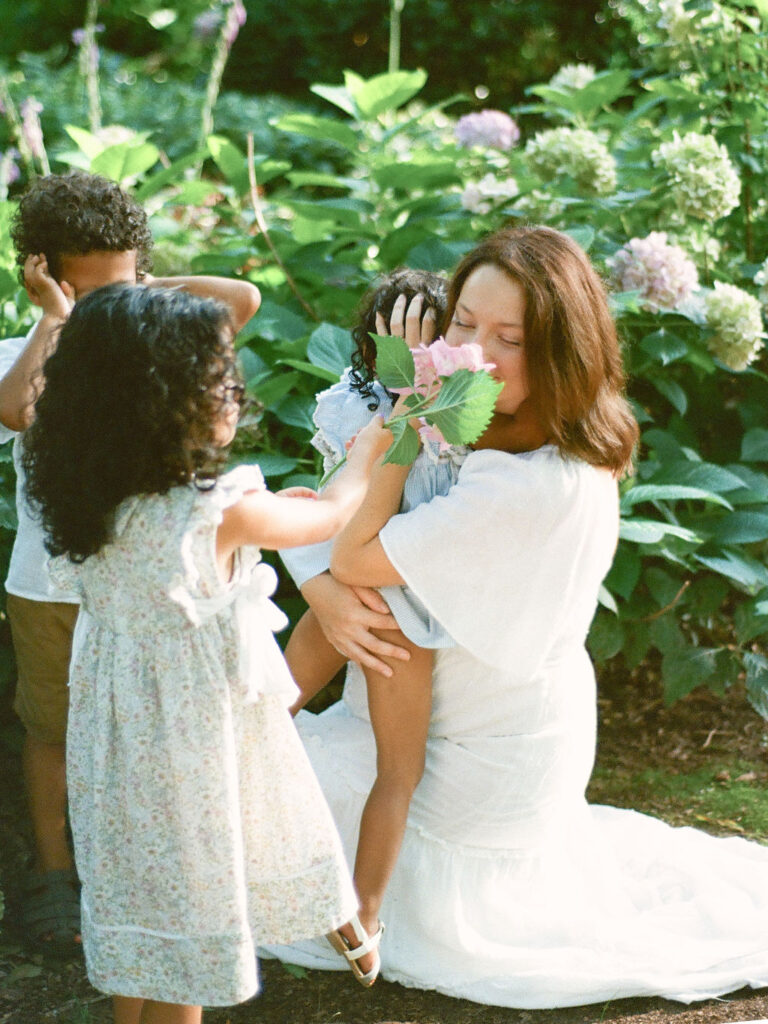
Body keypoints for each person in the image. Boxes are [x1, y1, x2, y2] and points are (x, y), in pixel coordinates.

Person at [269, 225, 768, 1008]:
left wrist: (402, 421)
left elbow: (354, 554)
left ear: (564, 353)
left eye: (512, 339)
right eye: (463, 324)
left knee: (258, 821)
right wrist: (326, 594)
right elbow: (335, 527)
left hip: (480, 753)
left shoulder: (528, 484)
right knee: (253, 790)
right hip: (426, 695)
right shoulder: (486, 424)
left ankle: (367, 908)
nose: (476, 353)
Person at [21, 282, 389, 1024]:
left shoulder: (89, 496)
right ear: (171, 405)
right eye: (220, 382)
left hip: (115, 740)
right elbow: (329, 513)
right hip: (188, 744)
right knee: (191, 923)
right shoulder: (214, 512)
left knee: (143, 910)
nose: (234, 395)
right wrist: (378, 439)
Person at [0, 171, 261, 958]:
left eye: (122, 285)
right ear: (43, 275)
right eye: (87, 291)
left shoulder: (151, 346)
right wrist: (59, 316)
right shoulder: (28, 355)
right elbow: (16, 410)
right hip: (50, 590)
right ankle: (55, 872)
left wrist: (130, 294)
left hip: (146, 593)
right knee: (51, 728)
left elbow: (241, 298)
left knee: (146, 734)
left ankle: (148, 867)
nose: (104, 308)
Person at [283, 267, 546, 985]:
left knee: (265, 715)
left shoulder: (357, 409)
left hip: (350, 587)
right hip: (399, 603)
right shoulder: (456, 422)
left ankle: (233, 850)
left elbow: (327, 500)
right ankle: (365, 918)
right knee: (396, 772)